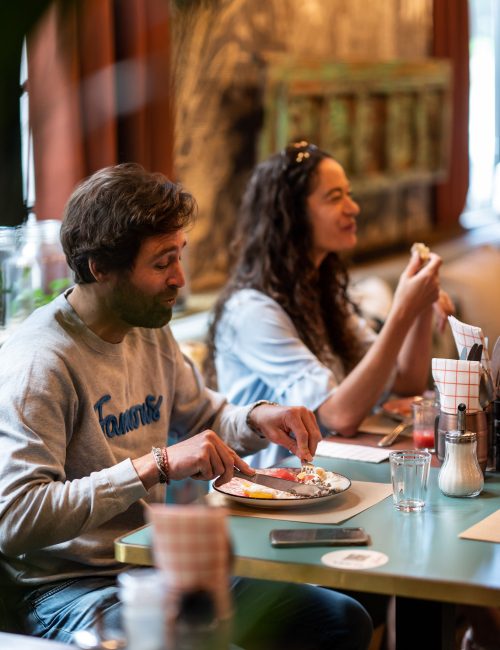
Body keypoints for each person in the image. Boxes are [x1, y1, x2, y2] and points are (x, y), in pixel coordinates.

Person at [0, 163, 373, 650]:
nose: (179, 277)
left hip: (153, 567)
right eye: (161, 263)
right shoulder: (40, 364)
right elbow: (14, 518)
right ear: (100, 269)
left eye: (179, 256)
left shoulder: (149, 328)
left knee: (341, 619)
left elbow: (205, 418)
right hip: (66, 591)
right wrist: (154, 466)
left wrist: (260, 417)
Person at [205, 141, 455, 469]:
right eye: (335, 197)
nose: (353, 208)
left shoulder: (321, 293)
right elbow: (340, 416)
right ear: (292, 214)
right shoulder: (252, 310)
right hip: (266, 487)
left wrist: (420, 307)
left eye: (348, 194)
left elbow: (405, 382)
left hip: (326, 474)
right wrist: (402, 310)